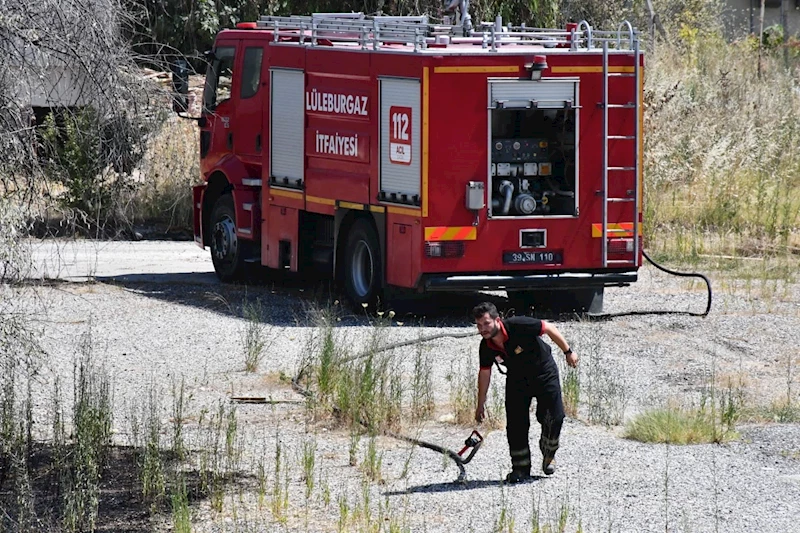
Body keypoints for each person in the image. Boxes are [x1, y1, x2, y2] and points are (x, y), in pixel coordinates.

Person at [472, 301, 578, 483]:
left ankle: (548, 453)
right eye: (479, 325)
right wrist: (480, 403)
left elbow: (549, 328)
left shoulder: (519, 325)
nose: (483, 329)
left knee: (554, 417)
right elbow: (484, 373)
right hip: (517, 379)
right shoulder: (486, 346)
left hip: (544, 372)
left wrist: (568, 352)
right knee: (515, 425)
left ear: (498, 320)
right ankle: (520, 468)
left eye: (487, 323)